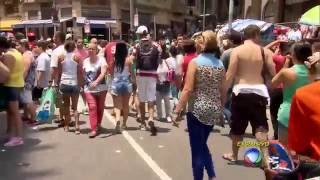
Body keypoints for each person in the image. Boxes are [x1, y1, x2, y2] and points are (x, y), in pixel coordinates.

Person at [173, 30, 226, 180]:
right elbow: (223, 90)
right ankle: (212, 175)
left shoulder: (195, 63)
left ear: (203, 44)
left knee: (197, 150)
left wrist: (177, 111)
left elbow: (188, 89)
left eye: (199, 39)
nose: (196, 41)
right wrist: (221, 110)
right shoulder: (220, 64)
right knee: (202, 145)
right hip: (213, 109)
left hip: (197, 109)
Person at [223, 25, 276, 167]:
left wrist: (223, 94)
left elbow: (230, 74)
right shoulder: (265, 52)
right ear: (256, 35)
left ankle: (234, 155)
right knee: (260, 126)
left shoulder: (237, 51)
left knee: (238, 126)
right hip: (259, 92)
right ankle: (266, 158)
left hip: (241, 91)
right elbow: (273, 73)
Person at [272, 42, 311, 146]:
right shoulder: (314, 73)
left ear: (293, 54)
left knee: (284, 149)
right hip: (307, 114)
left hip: (288, 113)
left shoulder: (286, 72)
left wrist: (287, 62)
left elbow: (272, 84)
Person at [135, 26, 160, 136]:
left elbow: (134, 60)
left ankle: (143, 123)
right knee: (151, 98)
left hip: (141, 74)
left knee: (141, 99)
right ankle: (151, 117)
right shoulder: (156, 46)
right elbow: (159, 60)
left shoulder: (136, 46)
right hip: (152, 74)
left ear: (140, 35)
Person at [0, 37, 25, 147]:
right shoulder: (16, 53)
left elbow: (5, 74)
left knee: (14, 113)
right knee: (11, 112)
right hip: (17, 84)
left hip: (11, 85)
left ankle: (18, 137)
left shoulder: (8, 56)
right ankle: (11, 134)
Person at [83, 43, 108, 138]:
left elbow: (103, 73)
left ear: (96, 50)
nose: (90, 51)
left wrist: (96, 82)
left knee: (100, 107)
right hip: (89, 89)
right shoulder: (85, 61)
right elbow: (84, 74)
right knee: (93, 107)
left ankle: (98, 124)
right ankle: (93, 129)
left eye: (92, 49)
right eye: (89, 49)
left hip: (101, 88)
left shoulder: (102, 60)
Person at [57, 41, 82, 134]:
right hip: (74, 83)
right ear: (74, 47)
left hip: (64, 82)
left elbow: (59, 72)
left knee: (66, 106)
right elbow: (79, 71)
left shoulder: (61, 57)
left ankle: (67, 126)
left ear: (65, 48)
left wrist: (57, 82)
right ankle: (77, 126)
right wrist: (80, 83)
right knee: (75, 107)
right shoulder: (77, 57)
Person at [111, 42, 134, 133]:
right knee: (125, 105)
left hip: (116, 83)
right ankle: (124, 124)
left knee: (117, 105)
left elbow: (111, 73)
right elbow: (132, 73)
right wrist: (134, 82)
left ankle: (117, 120)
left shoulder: (114, 60)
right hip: (126, 83)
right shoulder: (128, 60)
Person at [16, 40, 37, 124]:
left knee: (28, 101)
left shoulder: (26, 55)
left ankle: (33, 118)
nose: (17, 47)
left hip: (27, 81)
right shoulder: (28, 53)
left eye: (18, 45)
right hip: (29, 80)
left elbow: (26, 69)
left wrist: (22, 80)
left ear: (23, 45)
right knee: (26, 100)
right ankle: (26, 115)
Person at [156, 45, 176, 122]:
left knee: (167, 100)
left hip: (166, 83)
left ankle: (168, 115)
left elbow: (171, 70)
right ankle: (159, 115)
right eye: (158, 55)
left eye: (160, 55)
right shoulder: (155, 63)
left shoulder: (166, 61)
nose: (159, 56)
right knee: (158, 101)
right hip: (158, 84)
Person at [50, 31, 66, 126]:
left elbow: (53, 68)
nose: (53, 38)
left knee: (60, 100)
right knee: (65, 99)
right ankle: (62, 118)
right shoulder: (68, 49)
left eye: (54, 36)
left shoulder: (56, 51)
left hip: (59, 79)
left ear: (58, 38)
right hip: (68, 77)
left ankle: (64, 119)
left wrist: (51, 80)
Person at [74, 38, 89, 115]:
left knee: (83, 90)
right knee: (75, 91)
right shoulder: (73, 51)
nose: (80, 43)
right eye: (79, 42)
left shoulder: (86, 51)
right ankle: (76, 107)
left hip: (84, 74)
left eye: (82, 42)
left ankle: (85, 106)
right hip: (75, 74)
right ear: (76, 42)